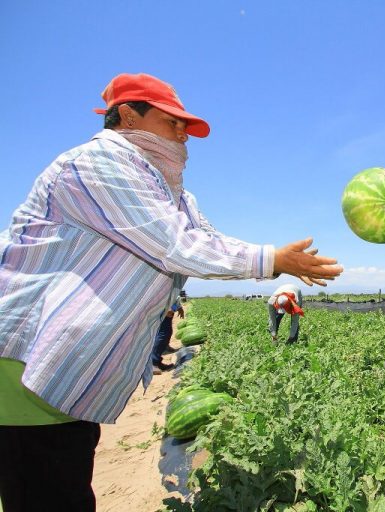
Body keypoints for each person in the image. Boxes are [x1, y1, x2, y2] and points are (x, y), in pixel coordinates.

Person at [0, 72, 343, 512]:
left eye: (186, 126)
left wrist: (273, 259)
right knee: (49, 491)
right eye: (172, 122)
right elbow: (174, 245)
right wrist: (272, 260)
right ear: (127, 115)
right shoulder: (97, 163)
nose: (183, 133)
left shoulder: (167, 189)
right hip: (29, 365)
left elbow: (200, 237)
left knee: (67, 478)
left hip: (66, 369)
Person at [150, 296, 185, 374]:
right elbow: (167, 295)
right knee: (163, 334)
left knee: (166, 333)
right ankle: (153, 363)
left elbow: (173, 296)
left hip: (166, 310)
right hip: (164, 310)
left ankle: (157, 362)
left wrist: (178, 307)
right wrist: (172, 309)